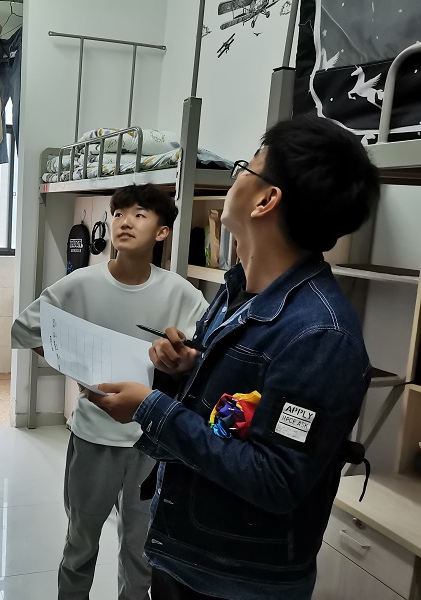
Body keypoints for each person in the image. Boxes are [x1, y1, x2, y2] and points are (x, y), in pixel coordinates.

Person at [90, 115, 380, 600]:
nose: (235, 177)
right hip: (186, 549)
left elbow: (275, 478)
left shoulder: (321, 337)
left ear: (266, 200)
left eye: (246, 167)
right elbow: (227, 414)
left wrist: (150, 408)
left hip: (236, 580)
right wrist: (184, 369)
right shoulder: (236, 293)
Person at [12, 184, 208, 600]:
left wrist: (182, 360)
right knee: (80, 544)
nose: (124, 221)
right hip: (93, 436)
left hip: (151, 441)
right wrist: (72, 363)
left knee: (141, 550)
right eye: (118, 213)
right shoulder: (79, 284)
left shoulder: (182, 293)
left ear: (162, 232)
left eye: (139, 214)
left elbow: (202, 356)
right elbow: (26, 329)